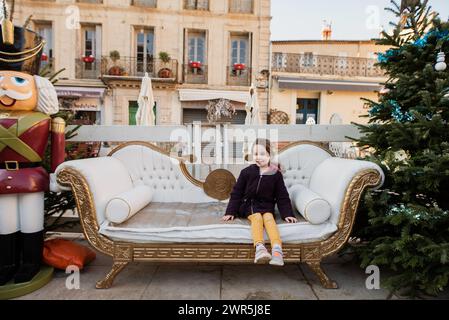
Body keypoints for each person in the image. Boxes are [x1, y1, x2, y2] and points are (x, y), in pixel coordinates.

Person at [222, 138, 297, 266]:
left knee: (268, 218)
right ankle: (260, 248)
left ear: (269, 155)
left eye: (262, 154)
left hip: (267, 206)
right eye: (256, 154)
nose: (258, 157)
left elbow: (282, 196)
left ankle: (277, 250)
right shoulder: (246, 172)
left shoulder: (275, 174)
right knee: (257, 218)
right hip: (249, 206)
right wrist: (231, 211)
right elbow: (237, 193)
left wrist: (287, 214)